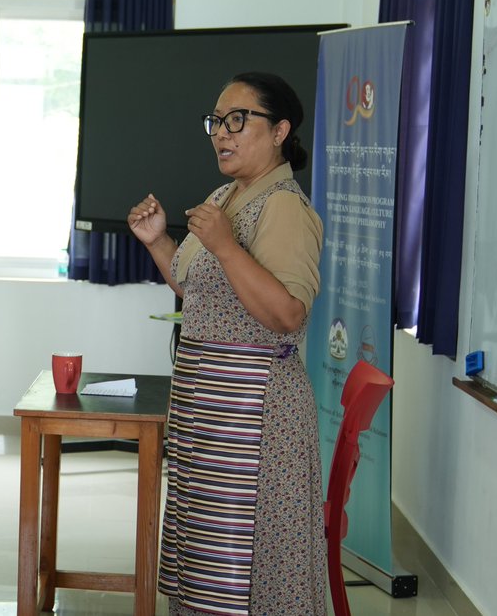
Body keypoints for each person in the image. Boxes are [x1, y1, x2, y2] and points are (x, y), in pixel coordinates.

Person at [128, 72, 324, 615]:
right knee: (207, 564)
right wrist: (159, 242)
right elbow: (197, 287)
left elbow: (287, 314)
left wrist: (225, 245)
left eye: (239, 120)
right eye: (217, 122)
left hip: (256, 419)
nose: (222, 133)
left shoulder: (283, 205)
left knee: (252, 569)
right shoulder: (225, 195)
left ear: (280, 129)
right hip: (208, 416)